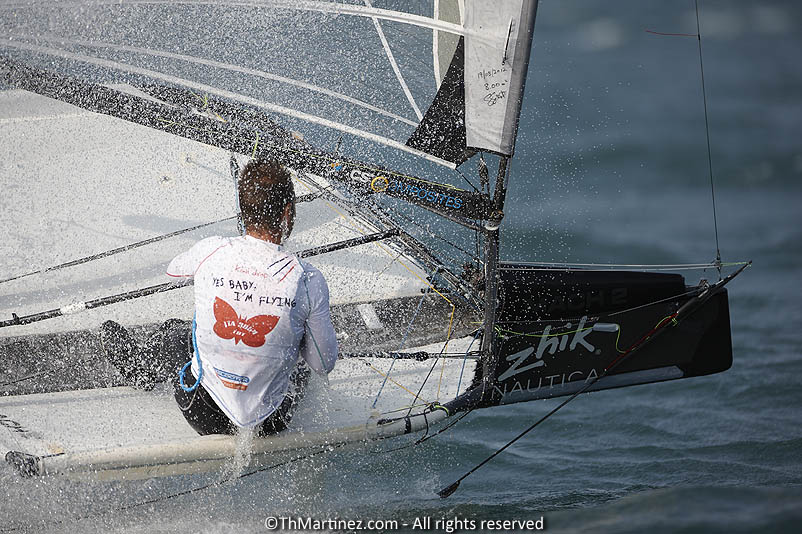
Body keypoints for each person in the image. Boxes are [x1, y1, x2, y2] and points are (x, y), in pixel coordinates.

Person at [100, 159, 339, 437]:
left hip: (203, 412)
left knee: (175, 333)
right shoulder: (309, 279)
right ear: (287, 212)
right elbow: (324, 364)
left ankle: (141, 368)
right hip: (270, 423)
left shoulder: (211, 250)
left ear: (243, 210)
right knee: (301, 354)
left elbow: (173, 271)